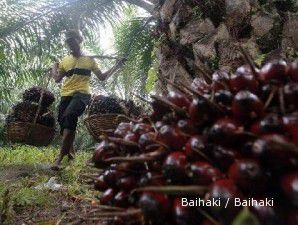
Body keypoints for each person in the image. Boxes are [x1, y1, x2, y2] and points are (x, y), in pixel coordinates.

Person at [50, 30, 124, 170]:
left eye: (73, 40)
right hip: (66, 94)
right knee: (64, 123)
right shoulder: (65, 61)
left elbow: (102, 77)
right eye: (68, 42)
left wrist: (117, 65)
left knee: (70, 115)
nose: (71, 44)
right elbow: (57, 79)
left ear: (79, 40)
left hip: (82, 94)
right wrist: (55, 67)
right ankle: (71, 152)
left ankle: (59, 158)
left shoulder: (89, 60)